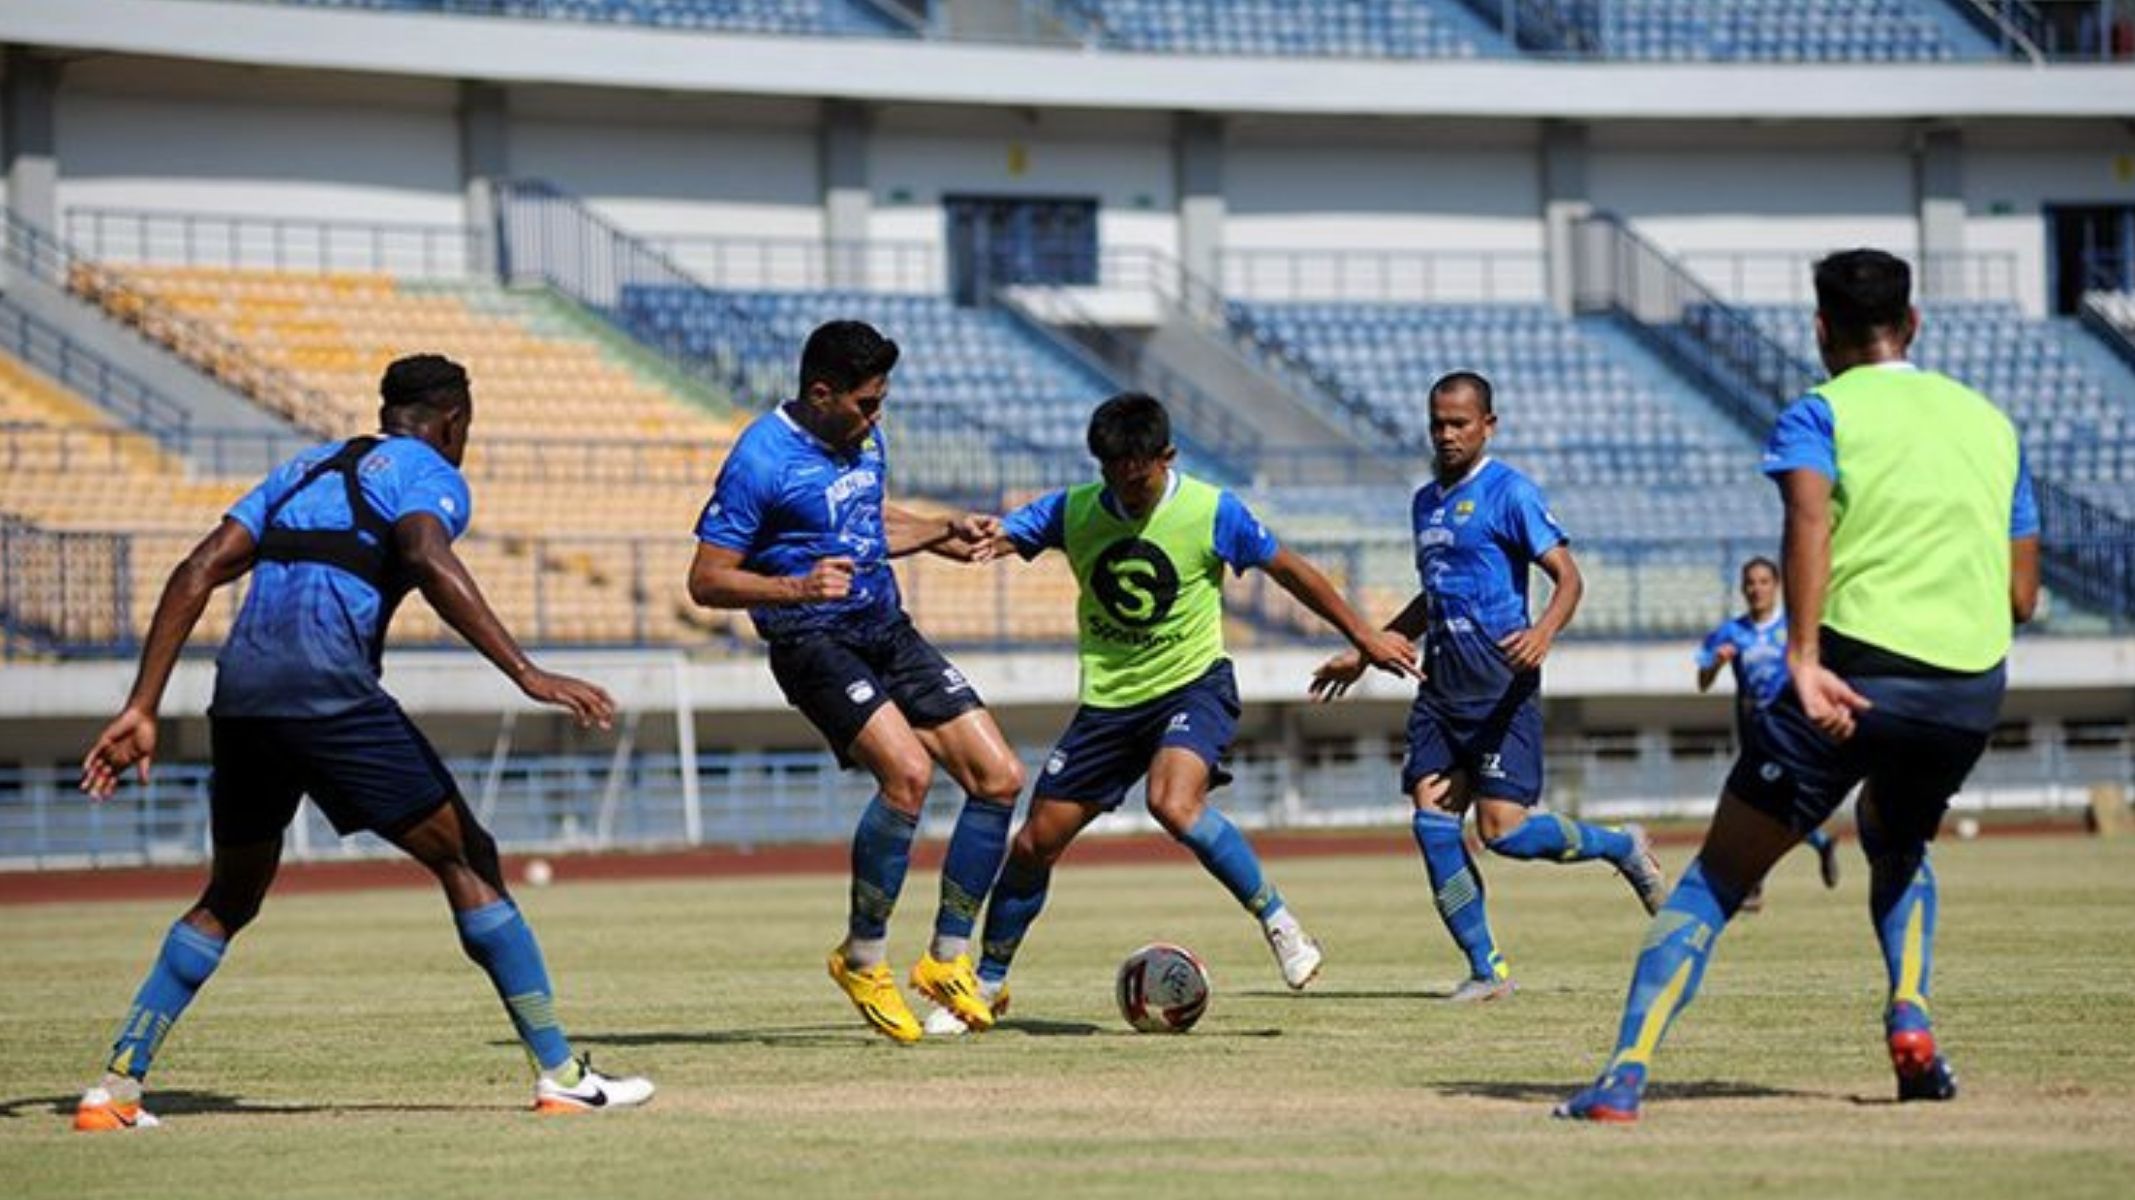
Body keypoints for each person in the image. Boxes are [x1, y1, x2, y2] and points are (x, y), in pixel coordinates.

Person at [73, 355, 653, 1131]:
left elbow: (195, 569)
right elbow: (422, 552)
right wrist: (526, 671)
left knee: (230, 895)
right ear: (454, 421)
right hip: (329, 695)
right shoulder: (425, 473)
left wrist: (142, 706)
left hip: (242, 701)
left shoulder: (302, 468)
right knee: (467, 858)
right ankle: (561, 1073)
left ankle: (114, 1089)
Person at [1558, 249, 2040, 1122]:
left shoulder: (1818, 412)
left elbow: (1807, 518)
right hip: (1967, 693)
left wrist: (1806, 656)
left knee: (1713, 878)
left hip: (1849, 681)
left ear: (1819, 330)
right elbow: (2022, 595)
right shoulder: (1991, 425)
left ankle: (1623, 1075)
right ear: (1914, 323)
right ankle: (1912, 1023)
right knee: (1896, 843)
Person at [941, 393, 1418, 1028]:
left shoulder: (1212, 510)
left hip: (1194, 683)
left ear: (1166, 457)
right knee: (1032, 843)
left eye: (1137, 476)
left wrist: (1362, 635)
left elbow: (1291, 570)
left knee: (1173, 803)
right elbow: (999, 536)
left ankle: (1279, 922)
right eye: (1112, 474)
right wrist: (964, 535)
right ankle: (986, 983)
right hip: (1109, 703)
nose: (1126, 490)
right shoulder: (1072, 509)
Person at [687, 320, 1024, 1045]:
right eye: (866, 403)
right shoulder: (759, 458)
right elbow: (707, 580)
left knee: (998, 778)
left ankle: (945, 961)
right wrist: (798, 587)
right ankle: (863, 955)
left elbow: (866, 520)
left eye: (881, 402)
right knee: (906, 777)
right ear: (820, 392)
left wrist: (938, 531)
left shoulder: (863, 439)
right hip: (813, 641)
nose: (877, 417)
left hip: (885, 629)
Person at [1313, 371, 1667, 1003]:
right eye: (1438, 424)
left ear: (1488, 426)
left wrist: (1544, 633)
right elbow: (1436, 593)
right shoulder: (1425, 502)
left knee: (1503, 833)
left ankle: (1621, 845)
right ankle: (1487, 971)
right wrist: (1368, 649)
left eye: (1459, 424)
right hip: (1441, 689)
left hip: (1502, 689)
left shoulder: (1510, 493)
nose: (1447, 435)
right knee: (1432, 825)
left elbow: (1568, 577)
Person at [1696, 555, 1841, 906]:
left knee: (1759, 801)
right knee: (1769, 802)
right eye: (1750, 583)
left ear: (1776, 586)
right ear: (1742, 589)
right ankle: (1818, 843)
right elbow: (1702, 681)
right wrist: (1716, 664)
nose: (1756, 589)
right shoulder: (1731, 632)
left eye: (1763, 582)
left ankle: (1752, 884)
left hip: (1787, 725)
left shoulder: (1793, 629)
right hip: (1751, 725)